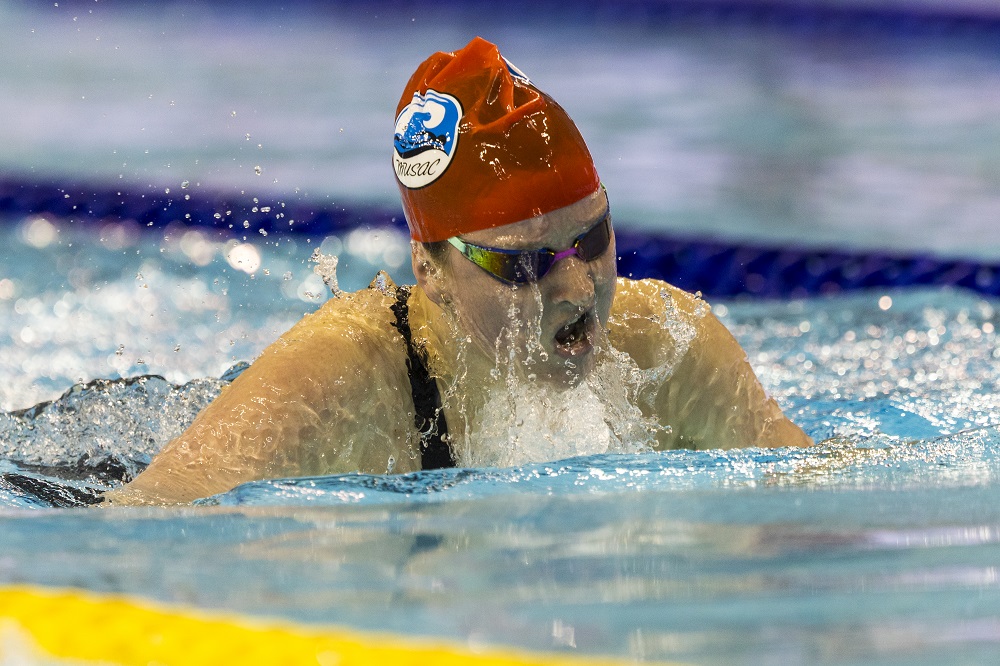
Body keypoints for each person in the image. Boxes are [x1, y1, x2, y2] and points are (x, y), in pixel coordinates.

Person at [105, 37, 811, 506]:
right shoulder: (344, 380)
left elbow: (821, 504)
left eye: (591, 238)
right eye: (525, 262)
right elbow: (135, 530)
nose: (576, 288)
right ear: (429, 268)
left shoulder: (669, 349)